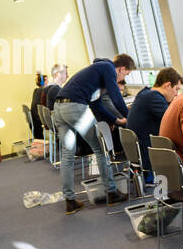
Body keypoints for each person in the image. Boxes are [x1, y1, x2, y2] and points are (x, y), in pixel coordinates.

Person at [53, 54, 134, 214]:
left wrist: (118, 121)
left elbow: (97, 107)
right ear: (122, 69)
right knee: (100, 149)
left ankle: (70, 201)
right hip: (75, 107)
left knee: (67, 156)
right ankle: (111, 193)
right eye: (125, 75)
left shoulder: (96, 73)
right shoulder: (108, 68)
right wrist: (131, 117)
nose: (122, 79)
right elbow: (117, 98)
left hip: (59, 108)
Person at [127, 67, 183, 179]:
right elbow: (174, 120)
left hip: (139, 148)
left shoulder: (146, 93)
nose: (176, 94)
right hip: (148, 150)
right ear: (167, 85)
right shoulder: (154, 98)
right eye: (176, 89)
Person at [29, 73, 47, 139]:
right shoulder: (43, 90)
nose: (48, 82)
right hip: (38, 122)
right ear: (43, 82)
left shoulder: (35, 90)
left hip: (34, 122)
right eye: (47, 81)